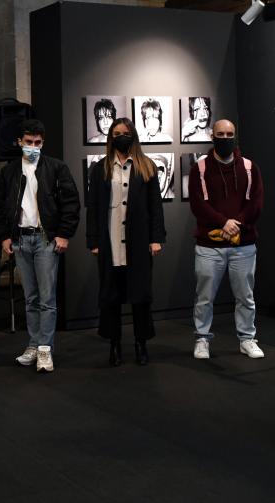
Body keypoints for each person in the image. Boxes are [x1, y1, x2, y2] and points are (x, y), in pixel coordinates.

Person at [0, 119, 80, 373]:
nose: (33, 147)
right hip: (20, 239)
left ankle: (45, 348)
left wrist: (64, 234)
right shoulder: (10, 171)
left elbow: (71, 202)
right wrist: (5, 236)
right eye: (29, 142)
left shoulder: (56, 168)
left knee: (47, 298)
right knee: (30, 298)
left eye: (38, 143)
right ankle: (33, 343)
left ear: (43, 143)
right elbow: (0, 207)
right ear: (20, 142)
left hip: (45, 239)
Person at [86, 117, 166, 367]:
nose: (121, 136)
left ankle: (141, 344)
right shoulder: (100, 169)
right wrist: (94, 240)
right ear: (111, 137)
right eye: (117, 132)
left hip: (139, 243)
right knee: (110, 298)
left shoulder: (147, 166)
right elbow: (94, 208)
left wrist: (156, 239)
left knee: (141, 296)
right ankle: (114, 344)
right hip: (110, 244)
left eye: (126, 132)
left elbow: (155, 207)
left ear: (133, 136)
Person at [189, 119, 265, 360]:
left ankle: (247, 339)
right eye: (220, 134)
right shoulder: (199, 168)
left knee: (245, 296)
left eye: (229, 134)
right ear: (212, 136)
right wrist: (224, 223)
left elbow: (256, 202)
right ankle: (202, 339)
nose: (225, 138)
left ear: (235, 136)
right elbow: (197, 204)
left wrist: (236, 224)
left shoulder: (250, 167)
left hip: (243, 245)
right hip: (209, 246)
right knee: (204, 297)